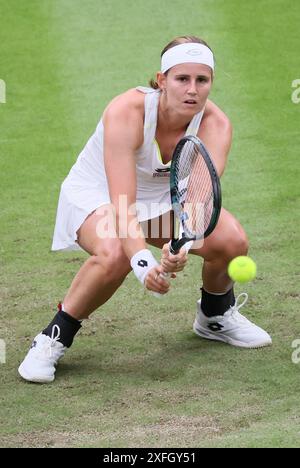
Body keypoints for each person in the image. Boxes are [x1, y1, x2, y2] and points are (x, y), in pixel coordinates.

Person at [18, 35, 272, 383]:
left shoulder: (216, 125)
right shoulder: (127, 111)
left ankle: (215, 317)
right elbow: (122, 204)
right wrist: (143, 262)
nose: (193, 90)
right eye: (182, 79)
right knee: (115, 253)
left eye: (203, 80)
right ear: (162, 79)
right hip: (100, 195)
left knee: (231, 241)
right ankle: (52, 338)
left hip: (160, 202)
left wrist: (179, 244)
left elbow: (199, 198)